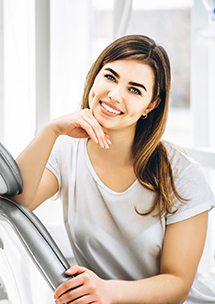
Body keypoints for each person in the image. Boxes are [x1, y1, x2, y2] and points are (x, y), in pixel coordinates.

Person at [14, 35, 215, 304]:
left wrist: (109, 291)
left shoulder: (181, 174)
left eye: (135, 89)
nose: (115, 94)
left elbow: (178, 285)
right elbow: (16, 204)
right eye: (110, 77)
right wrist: (50, 131)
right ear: (95, 76)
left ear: (151, 105)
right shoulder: (65, 150)